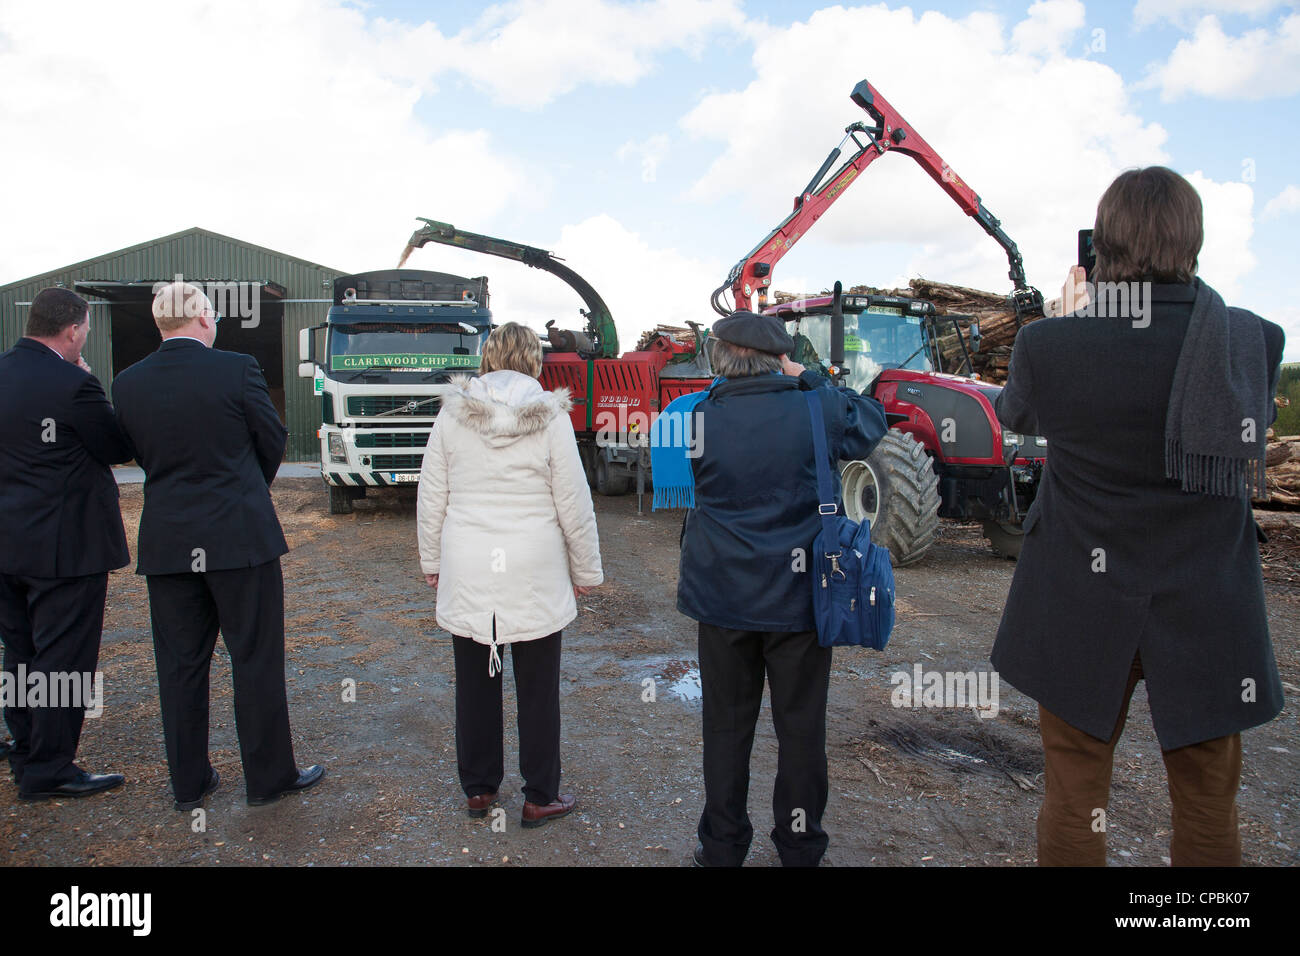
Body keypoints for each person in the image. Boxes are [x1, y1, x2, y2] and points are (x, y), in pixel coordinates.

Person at [992, 166, 1286, 866]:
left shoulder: (1050, 344)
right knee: (1209, 797)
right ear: (1196, 239)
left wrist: (1070, 315)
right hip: (1209, 600)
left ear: (1103, 247)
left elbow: (1016, 416)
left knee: (1075, 792)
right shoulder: (1252, 342)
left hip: (1079, 595)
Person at [660, 310, 888, 867]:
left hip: (722, 595)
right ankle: (800, 846)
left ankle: (721, 846)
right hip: (801, 598)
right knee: (802, 729)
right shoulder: (819, 406)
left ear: (720, 357)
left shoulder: (694, 416)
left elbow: (675, 482)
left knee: (726, 727)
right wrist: (808, 376)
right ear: (779, 356)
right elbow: (873, 421)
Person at [111, 281, 323, 810]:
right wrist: (246, 488)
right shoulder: (236, 368)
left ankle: (189, 783)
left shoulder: (128, 383)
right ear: (203, 319)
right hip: (239, 538)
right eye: (213, 314)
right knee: (254, 658)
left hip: (168, 542)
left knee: (180, 666)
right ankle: (268, 779)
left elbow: (134, 450)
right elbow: (271, 438)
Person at [417, 322, 602, 829]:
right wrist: (585, 569)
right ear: (532, 361)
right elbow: (573, 500)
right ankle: (540, 795)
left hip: (471, 562)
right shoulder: (551, 418)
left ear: (487, 356)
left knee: (475, 683)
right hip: (533, 567)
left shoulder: (452, 416)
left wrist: (431, 561)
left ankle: (479, 789)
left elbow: (432, 494)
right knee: (538, 688)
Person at [0, 288, 132, 800]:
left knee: (21, 652)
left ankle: (26, 748)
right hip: (64, 548)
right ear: (74, 329)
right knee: (65, 661)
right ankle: (50, 768)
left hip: (7, 546)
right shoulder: (73, 383)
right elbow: (116, 447)